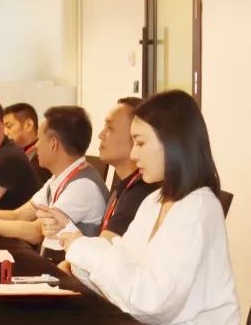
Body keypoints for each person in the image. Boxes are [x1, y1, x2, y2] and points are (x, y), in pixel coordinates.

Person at [60, 90, 239, 325]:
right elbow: (121, 264)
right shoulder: (155, 201)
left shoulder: (197, 209)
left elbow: (149, 303)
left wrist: (82, 250)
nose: (134, 154)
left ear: (172, 143)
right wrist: (78, 253)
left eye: (141, 143)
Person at [0, 106, 108, 251]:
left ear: (53, 143)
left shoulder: (82, 187)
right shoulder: (59, 177)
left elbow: (36, 232)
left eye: (40, 139)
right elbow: (19, 215)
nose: (36, 145)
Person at [37, 98, 161, 272]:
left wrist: (69, 265)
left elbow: (106, 258)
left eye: (110, 128)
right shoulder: (123, 187)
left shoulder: (141, 191)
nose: (101, 134)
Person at [4, 102, 51, 184]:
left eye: (9, 126)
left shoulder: (42, 158)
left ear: (28, 125)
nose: (5, 132)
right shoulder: (16, 156)